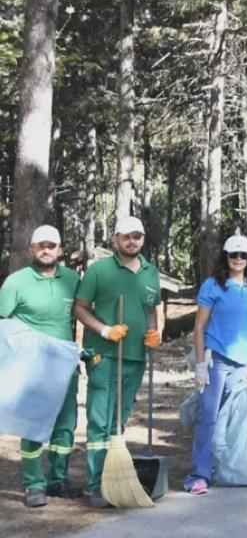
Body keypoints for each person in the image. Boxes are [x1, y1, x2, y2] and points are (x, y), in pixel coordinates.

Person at [73, 216, 162, 508]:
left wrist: (155, 333)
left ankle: (114, 478)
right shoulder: (99, 271)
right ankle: (95, 484)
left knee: (119, 419)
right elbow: (80, 308)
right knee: (100, 419)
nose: (132, 241)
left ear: (143, 239)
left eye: (137, 236)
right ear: (115, 240)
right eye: (126, 236)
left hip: (136, 356)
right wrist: (105, 330)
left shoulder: (151, 272)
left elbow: (152, 308)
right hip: (105, 354)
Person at [0, 226, 81, 508]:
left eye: (52, 245)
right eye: (40, 245)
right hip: (32, 368)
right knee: (33, 424)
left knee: (66, 425)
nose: (46, 250)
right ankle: (34, 485)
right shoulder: (16, 282)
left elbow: (80, 314)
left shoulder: (72, 279)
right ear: (31, 249)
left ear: (60, 249)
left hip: (66, 365)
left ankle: (58, 479)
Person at [186, 235, 247, 496]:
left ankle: (231, 469)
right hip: (217, 359)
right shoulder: (213, 286)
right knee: (208, 417)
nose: (239, 260)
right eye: (234, 255)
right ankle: (200, 474)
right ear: (226, 257)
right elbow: (199, 327)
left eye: (244, 256)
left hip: (245, 363)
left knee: (239, 419)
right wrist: (200, 364)